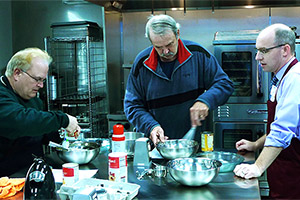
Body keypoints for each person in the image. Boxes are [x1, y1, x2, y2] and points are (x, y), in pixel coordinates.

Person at [124, 14, 233, 145]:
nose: (165, 51)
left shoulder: (198, 54)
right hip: (156, 147)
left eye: (169, 44)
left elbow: (224, 84)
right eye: (158, 47)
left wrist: (205, 101)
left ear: (177, 33)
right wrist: (151, 126)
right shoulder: (141, 64)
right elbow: (132, 106)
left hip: (194, 145)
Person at [233, 24, 300, 199]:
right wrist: (256, 145)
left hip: (294, 178)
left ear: (285, 50)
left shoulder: (295, 79)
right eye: (257, 50)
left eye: (264, 51)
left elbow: (283, 130)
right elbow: (277, 124)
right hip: (282, 175)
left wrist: (257, 167)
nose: (257, 57)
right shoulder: (281, 77)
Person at [0, 47, 81, 176]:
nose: (41, 85)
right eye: (37, 79)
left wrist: (62, 131)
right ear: (17, 73)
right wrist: (63, 119)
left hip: (32, 172)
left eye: (43, 80)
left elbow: (40, 132)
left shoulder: (31, 98)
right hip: (7, 180)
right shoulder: (3, 95)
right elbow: (21, 121)